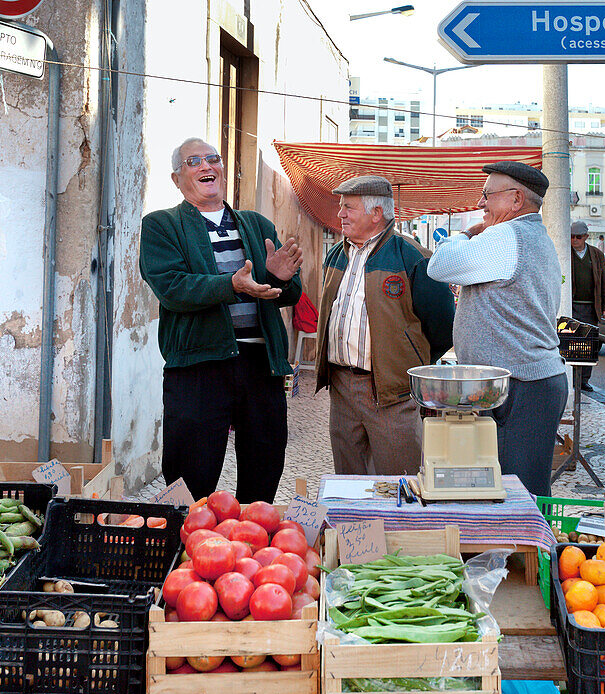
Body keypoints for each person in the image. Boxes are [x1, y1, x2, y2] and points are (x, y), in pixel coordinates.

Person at [140, 137, 303, 503]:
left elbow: (290, 295)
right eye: (193, 161)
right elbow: (173, 288)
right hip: (199, 369)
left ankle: (249, 550)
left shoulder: (256, 224)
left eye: (212, 159)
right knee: (190, 480)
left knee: (264, 472)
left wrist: (279, 278)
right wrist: (231, 284)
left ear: (222, 169)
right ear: (176, 177)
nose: (205, 166)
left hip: (262, 367)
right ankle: (184, 552)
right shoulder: (162, 226)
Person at [427, 161, 568, 498]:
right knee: (516, 489)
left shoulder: (507, 236)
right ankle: (513, 550)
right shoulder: (533, 235)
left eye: (487, 195)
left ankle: (525, 551)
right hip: (526, 383)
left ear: (516, 200)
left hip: (522, 387)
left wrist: (463, 235)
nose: (481, 204)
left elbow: (439, 265)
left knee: (517, 494)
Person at [316, 175, 455, 476]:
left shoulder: (413, 257)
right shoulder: (335, 256)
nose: (340, 214)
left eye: (348, 208)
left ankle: (399, 526)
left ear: (376, 213)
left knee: (399, 480)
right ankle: (356, 525)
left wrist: (406, 362)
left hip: (391, 394)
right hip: (341, 388)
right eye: (341, 207)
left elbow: (442, 325)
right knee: (348, 479)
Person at [570, 221, 605, 392]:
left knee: (589, 345)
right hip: (571, 305)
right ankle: (571, 377)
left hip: (590, 307)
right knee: (570, 344)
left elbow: (604, 282)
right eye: (571, 237)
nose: (574, 240)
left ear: (586, 237)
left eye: (578, 237)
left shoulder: (596, 255)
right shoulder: (565, 252)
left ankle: (584, 380)